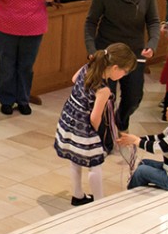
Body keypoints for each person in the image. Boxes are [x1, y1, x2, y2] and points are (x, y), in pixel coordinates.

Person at [84, 0, 160, 133]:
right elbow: (91, 22)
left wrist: (152, 44)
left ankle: (120, 121)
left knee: (134, 97)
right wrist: (91, 48)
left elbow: (153, 21)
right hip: (108, 50)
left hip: (134, 51)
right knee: (106, 97)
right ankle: (105, 133)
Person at [54, 43, 137, 206]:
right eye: (125, 71)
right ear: (115, 68)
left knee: (75, 159)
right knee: (95, 164)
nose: (124, 75)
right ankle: (99, 203)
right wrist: (100, 133)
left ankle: (78, 195)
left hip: (70, 118)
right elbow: (95, 117)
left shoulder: (88, 67)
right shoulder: (103, 90)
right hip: (85, 128)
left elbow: (73, 78)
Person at [118, 93, 168, 191]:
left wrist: (137, 141)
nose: (167, 108)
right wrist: (136, 139)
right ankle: (141, 190)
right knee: (144, 163)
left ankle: (130, 194)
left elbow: (157, 148)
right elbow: (158, 138)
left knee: (141, 171)